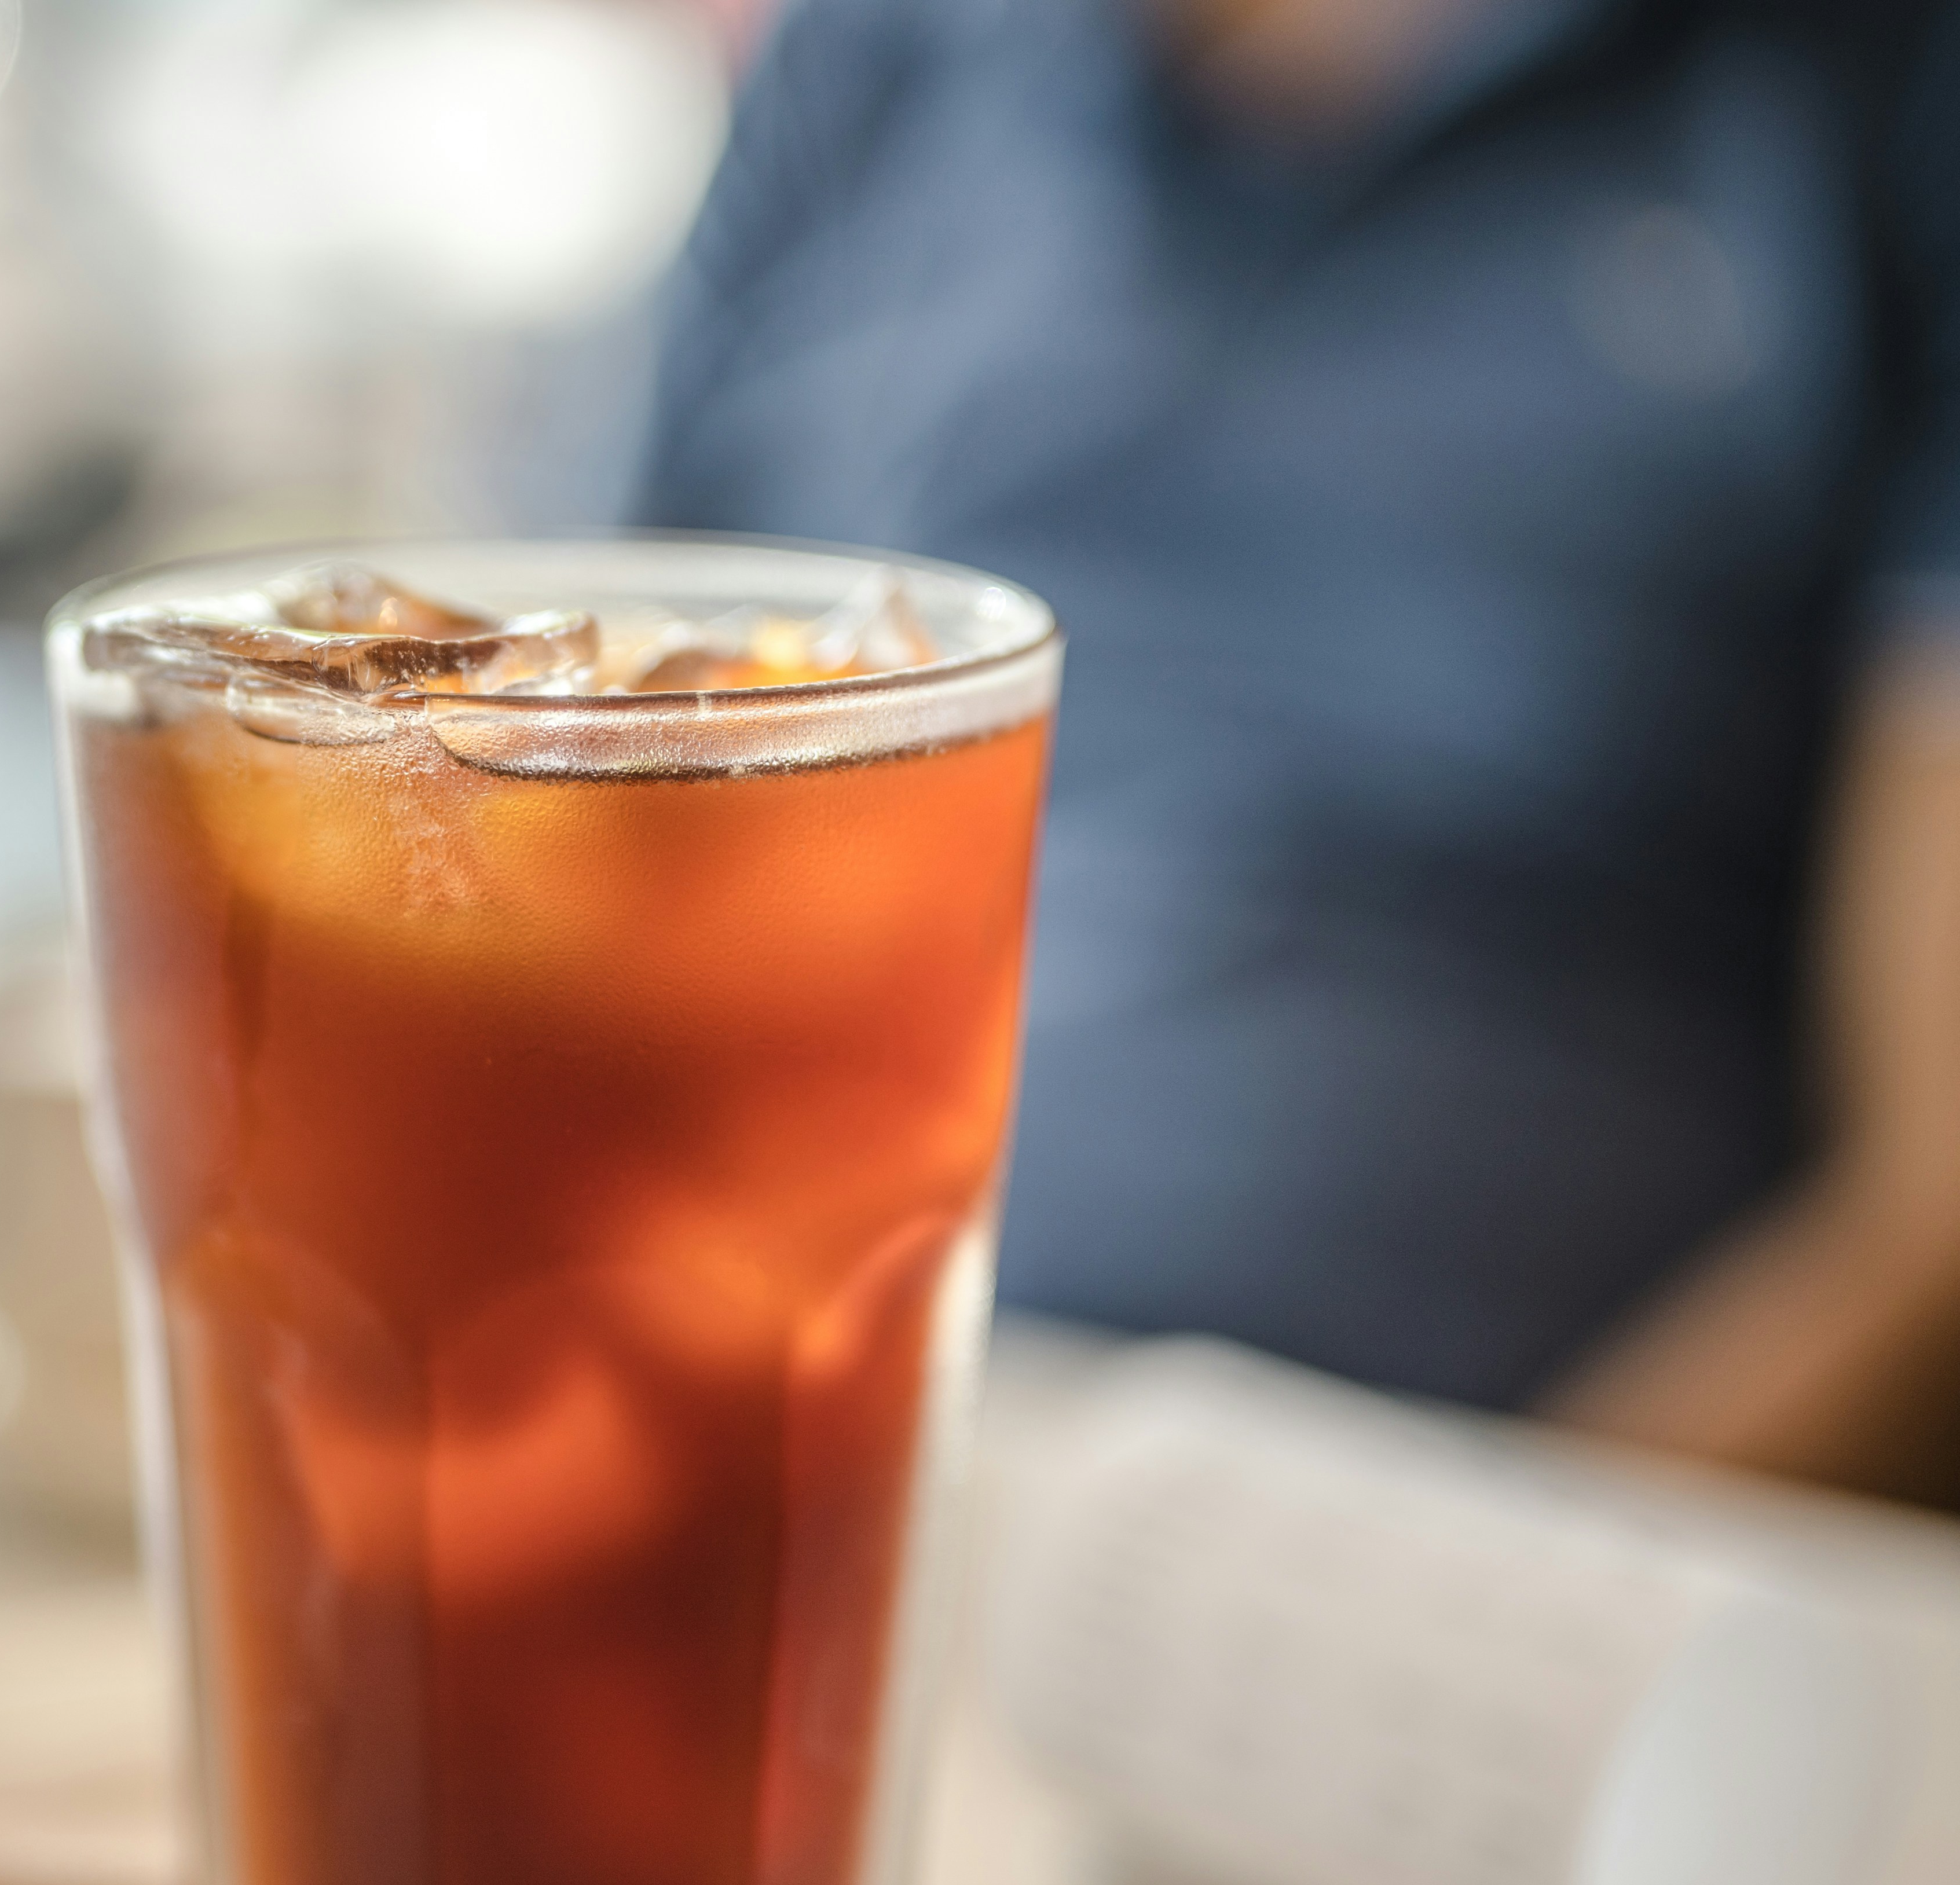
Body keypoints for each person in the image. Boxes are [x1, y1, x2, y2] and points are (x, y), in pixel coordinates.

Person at [639, 0, 1960, 1504]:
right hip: (766, 1434)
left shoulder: (1875, 95)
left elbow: (1933, 1215)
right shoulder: (883, 54)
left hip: (1455, 1524)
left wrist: (1471, 1622)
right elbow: (545, 796)